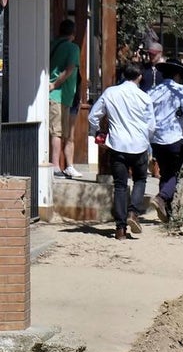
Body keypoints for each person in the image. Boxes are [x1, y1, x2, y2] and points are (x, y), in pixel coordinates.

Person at [88, 63, 155, 240]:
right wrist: (147, 141)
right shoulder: (144, 97)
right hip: (139, 145)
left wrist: (98, 132)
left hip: (117, 145)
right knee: (140, 179)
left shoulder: (110, 93)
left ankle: (120, 229)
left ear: (124, 75)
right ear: (139, 76)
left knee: (120, 186)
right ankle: (133, 213)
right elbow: (151, 126)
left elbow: (93, 116)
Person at [147, 63, 183, 223]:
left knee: (166, 173)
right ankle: (162, 198)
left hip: (156, 139)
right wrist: (180, 115)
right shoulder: (181, 91)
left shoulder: (152, 92)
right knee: (180, 173)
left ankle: (166, 213)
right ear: (177, 76)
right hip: (174, 137)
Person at [48, 19, 83, 179]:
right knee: (57, 132)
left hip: (56, 95)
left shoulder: (52, 44)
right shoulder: (73, 47)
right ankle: (55, 166)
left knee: (58, 131)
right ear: (73, 34)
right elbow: (70, 69)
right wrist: (54, 85)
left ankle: (59, 165)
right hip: (60, 94)